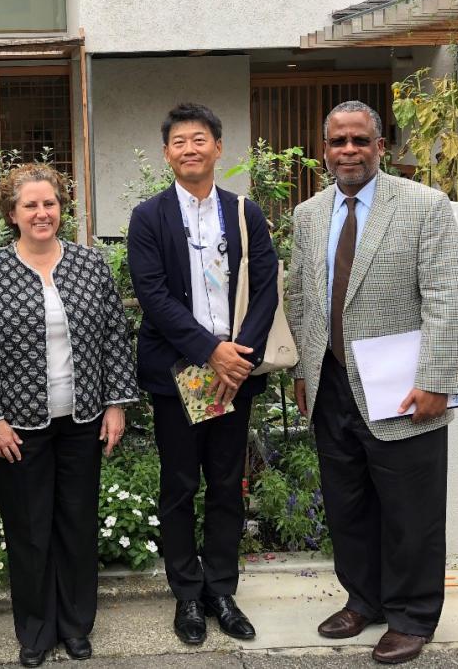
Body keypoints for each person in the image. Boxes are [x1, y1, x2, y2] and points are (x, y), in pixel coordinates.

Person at [287, 101, 458, 665]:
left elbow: (448, 294)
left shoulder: (424, 206)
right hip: (332, 384)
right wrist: (303, 370)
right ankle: (362, 598)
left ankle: (413, 616)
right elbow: (299, 295)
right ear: (324, 150)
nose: (349, 151)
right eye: (339, 141)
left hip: (404, 387)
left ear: (380, 147)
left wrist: (437, 378)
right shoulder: (309, 214)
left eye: (360, 141)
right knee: (348, 504)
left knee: (410, 509)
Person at [0, 163, 138, 668]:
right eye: (30, 206)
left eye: (50, 203)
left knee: (76, 523)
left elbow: (112, 335)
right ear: (12, 213)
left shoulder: (90, 263)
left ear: (61, 207)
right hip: (18, 425)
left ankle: (77, 625)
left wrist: (115, 404)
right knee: (29, 527)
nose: (42, 213)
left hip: (82, 416)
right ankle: (37, 630)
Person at [126, 103, 279, 646]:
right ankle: (187, 594)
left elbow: (266, 287)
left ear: (218, 147)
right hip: (178, 374)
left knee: (226, 485)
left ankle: (221, 589)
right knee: (179, 486)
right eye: (179, 142)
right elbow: (154, 297)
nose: (190, 149)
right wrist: (210, 352)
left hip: (235, 373)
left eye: (199, 140)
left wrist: (238, 357)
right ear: (167, 154)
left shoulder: (244, 212)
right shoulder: (148, 217)